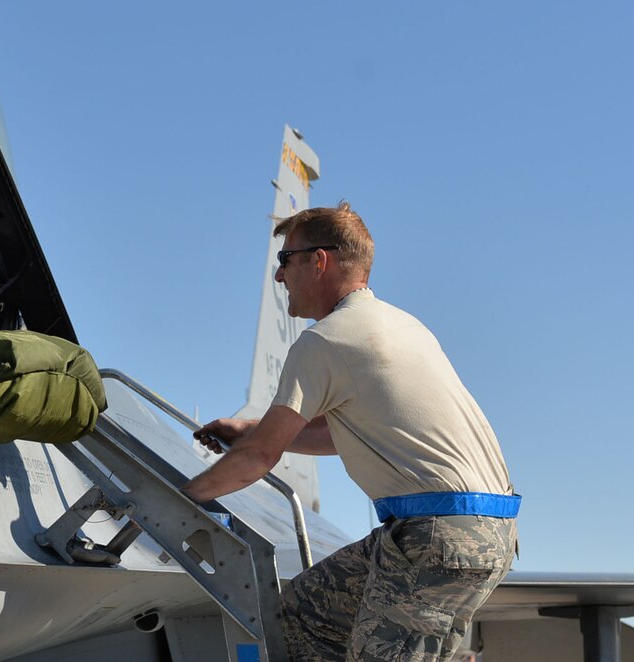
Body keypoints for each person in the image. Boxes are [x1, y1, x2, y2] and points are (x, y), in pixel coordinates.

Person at [182, 202, 518, 661]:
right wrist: (252, 429)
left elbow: (259, 458)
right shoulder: (403, 326)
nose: (279, 276)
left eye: (285, 260)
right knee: (302, 616)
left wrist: (180, 499)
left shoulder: (325, 340)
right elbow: (335, 434)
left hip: (436, 534)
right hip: (483, 530)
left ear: (319, 261)